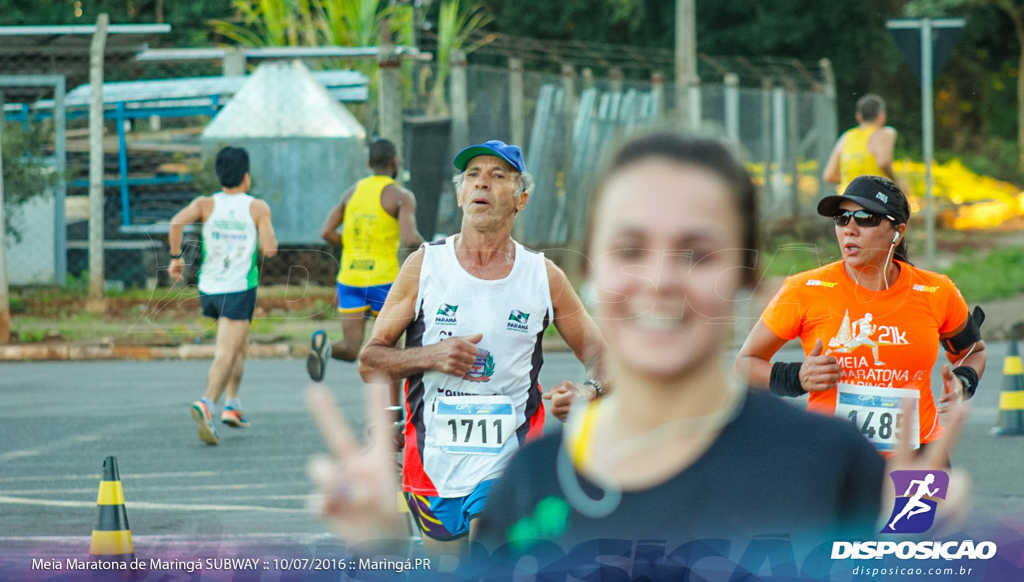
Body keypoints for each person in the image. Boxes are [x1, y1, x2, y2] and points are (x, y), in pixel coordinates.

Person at [305, 135, 965, 565]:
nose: (659, 279)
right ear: (595, 273)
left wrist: (933, 557)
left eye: (696, 250)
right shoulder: (534, 482)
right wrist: (381, 550)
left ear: (743, 277)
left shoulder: (829, 459)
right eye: (630, 248)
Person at [354, 139, 606, 557]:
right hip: (432, 464)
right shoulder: (424, 266)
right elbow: (370, 360)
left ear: (521, 198)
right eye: (473, 175)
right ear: (459, 194)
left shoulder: (543, 277)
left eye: (497, 175)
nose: (482, 183)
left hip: (510, 461)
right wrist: (431, 356)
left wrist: (589, 391)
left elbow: (603, 357)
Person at [735, 174, 986, 456]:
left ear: (897, 231)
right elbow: (745, 364)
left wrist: (963, 383)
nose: (849, 229)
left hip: (920, 456)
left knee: (928, 503)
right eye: (842, 217)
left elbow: (972, 351)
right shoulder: (804, 289)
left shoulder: (935, 290)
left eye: (866, 217)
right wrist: (797, 376)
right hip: (832, 458)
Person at [168, 146, 278, 446]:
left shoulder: (206, 203)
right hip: (239, 289)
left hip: (210, 289)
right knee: (226, 353)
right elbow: (270, 249)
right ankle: (207, 403)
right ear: (246, 176)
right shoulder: (256, 207)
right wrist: (264, 227)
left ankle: (233, 404)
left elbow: (176, 222)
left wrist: (176, 257)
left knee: (238, 346)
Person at [306, 137, 424, 383]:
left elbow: (326, 232)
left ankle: (326, 346)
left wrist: (353, 246)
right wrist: (435, 250)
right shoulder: (401, 196)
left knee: (351, 348)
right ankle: (392, 417)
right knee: (389, 353)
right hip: (384, 281)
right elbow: (411, 238)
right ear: (395, 162)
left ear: (369, 162)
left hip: (350, 278)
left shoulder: (351, 193)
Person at [823, 94, 898, 191]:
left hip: (847, 198)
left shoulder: (846, 137)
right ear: (881, 116)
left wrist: (856, 182)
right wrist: (896, 183)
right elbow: (883, 162)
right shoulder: (884, 133)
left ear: (858, 117)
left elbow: (828, 176)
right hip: (874, 197)